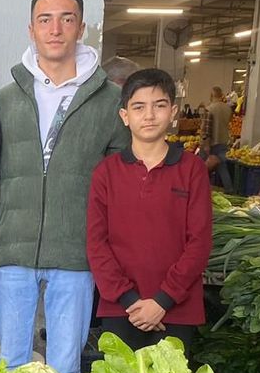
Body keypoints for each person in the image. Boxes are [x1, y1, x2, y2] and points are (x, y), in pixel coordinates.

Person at [0, 0, 128, 373]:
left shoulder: (109, 101)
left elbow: (119, 180)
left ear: (81, 28)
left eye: (66, 19)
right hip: (15, 245)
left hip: (76, 249)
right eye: (45, 20)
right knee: (10, 368)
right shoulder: (5, 99)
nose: (55, 29)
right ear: (31, 29)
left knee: (66, 369)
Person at [86, 68, 212, 353]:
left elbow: (199, 243)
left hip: (176, 310)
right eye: (139, 107)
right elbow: (96, 244)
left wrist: (163, 300)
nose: (149, 115)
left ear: (173, 112)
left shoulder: (192, 169)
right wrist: (129, 300)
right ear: (124, 116)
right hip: (121, 309)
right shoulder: (106, 172)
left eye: (159, 105)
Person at [202, 86, 235, 192]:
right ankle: (229, 189)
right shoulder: (228, 109)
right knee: (222, 167)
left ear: (211, 95)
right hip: (223, 142)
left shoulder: (210, 109)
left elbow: (207, 130)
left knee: (202, 167)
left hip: (211, 143)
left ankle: (201, 188)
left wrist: (206, 145)